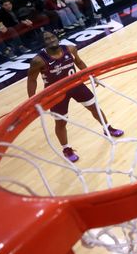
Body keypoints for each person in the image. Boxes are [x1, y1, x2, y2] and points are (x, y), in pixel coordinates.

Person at [27, 31, 124, 163]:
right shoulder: (38, 61)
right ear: (43, 42)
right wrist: (32, 100)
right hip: (56, 94)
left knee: (94, 108)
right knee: (61, 122)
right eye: (47, 39)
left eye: (52, 37)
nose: (50, 40)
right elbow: (32, 80)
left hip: (76, 86)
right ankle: (66, 148)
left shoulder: (70, 48)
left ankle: (107, 128)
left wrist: (92, 75)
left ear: (57, 37)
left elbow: (79, 62)